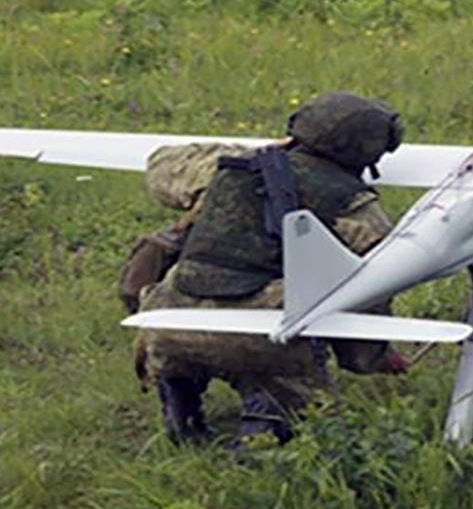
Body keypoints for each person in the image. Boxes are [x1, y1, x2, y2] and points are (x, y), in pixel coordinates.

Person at [131, 92, 410, 445]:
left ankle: (178, 392)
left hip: (167, 322)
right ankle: (266, 421)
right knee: (302, 397)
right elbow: (369, 291)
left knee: (181, 322)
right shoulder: (355, 208)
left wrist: (267, 152)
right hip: (256, 332)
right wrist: (373, 357)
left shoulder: (228, 166)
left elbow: (161, 163)